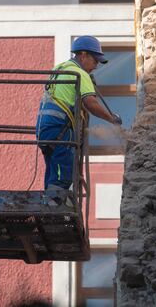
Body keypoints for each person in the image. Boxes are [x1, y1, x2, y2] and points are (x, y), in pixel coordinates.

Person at [36, 35, 122, 198]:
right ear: (83, 55)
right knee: (63, 175)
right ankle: (55, 206)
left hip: (44, 129)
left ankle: (49, 201)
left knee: (54, 170)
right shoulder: (79, 74)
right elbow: (91, 103)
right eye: (95, 60)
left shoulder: (59, 69)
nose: (96, 66)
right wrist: (112, 118)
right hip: (60, 128)